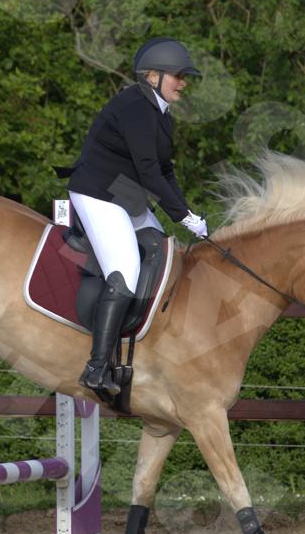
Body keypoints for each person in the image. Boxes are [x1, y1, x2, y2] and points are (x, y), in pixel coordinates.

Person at [56, 37, 209, 398]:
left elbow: (165, 171)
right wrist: (181, 215)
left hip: (124, 195)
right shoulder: (135, 108)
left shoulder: (160, 114)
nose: (183, 83)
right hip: (97, 193)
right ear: (153, 76)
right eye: (178, 76)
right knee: (125, 271)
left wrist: (189, 213)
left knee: (160, 250)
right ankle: (96, 367)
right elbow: (149, 172)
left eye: (184, 77)